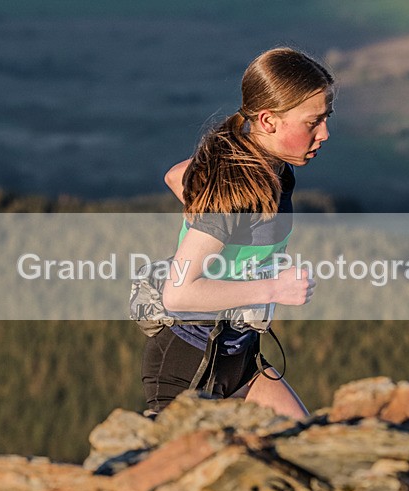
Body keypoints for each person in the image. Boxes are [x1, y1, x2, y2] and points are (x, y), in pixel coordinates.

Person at [141, 47, 334, 420]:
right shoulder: (236, 191)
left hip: (241, 358)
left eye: (327, 118)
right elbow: (179, 293)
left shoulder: (271, 168)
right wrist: (274, 288)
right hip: (191, 372)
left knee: (307, 449)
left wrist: (217, 224)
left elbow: (177, 174)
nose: (324, 133)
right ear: (268, 120)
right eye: (313, 122)